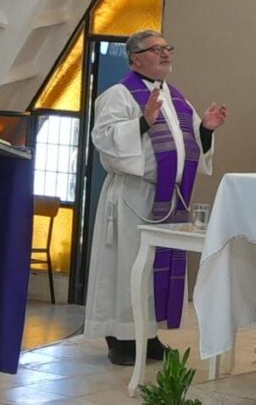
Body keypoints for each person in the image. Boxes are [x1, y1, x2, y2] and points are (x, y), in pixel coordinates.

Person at [84, 30, 228, 365]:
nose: (165, 54)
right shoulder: (118, 95)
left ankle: (148, 335)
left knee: (152, 268)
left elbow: (188, 146)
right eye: (156, 49)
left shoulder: (175, 97)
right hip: (132, 196)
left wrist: (205, 129)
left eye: (167, 48)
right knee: (127, 264)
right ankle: (120, 338)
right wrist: (143, 122)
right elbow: (104, 140)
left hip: (166, 198)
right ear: (135, 58)